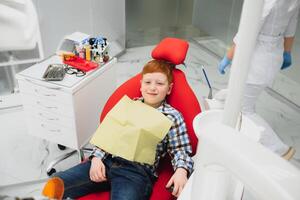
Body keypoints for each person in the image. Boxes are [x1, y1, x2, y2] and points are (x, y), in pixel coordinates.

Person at [42, 59, 194, 200]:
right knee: (55, 184)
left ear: (169, 88)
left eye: (160, 84)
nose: (152, 87)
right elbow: (107, 136)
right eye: (148, 82)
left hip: (135, 173)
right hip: (107, 161)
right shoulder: (129, 105)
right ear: (141, 85)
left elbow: (180, 149)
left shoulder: (172, 116)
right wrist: (96, 158)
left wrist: (181, 170)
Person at [218, 0, 299, 159]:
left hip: (255, 58)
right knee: (233, 96)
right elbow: (291, 26)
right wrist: (286, 52)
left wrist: (228, 56)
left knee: (245, 108)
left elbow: (249, 29)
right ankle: (224, 125)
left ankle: (279, 149)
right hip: (273, 54)